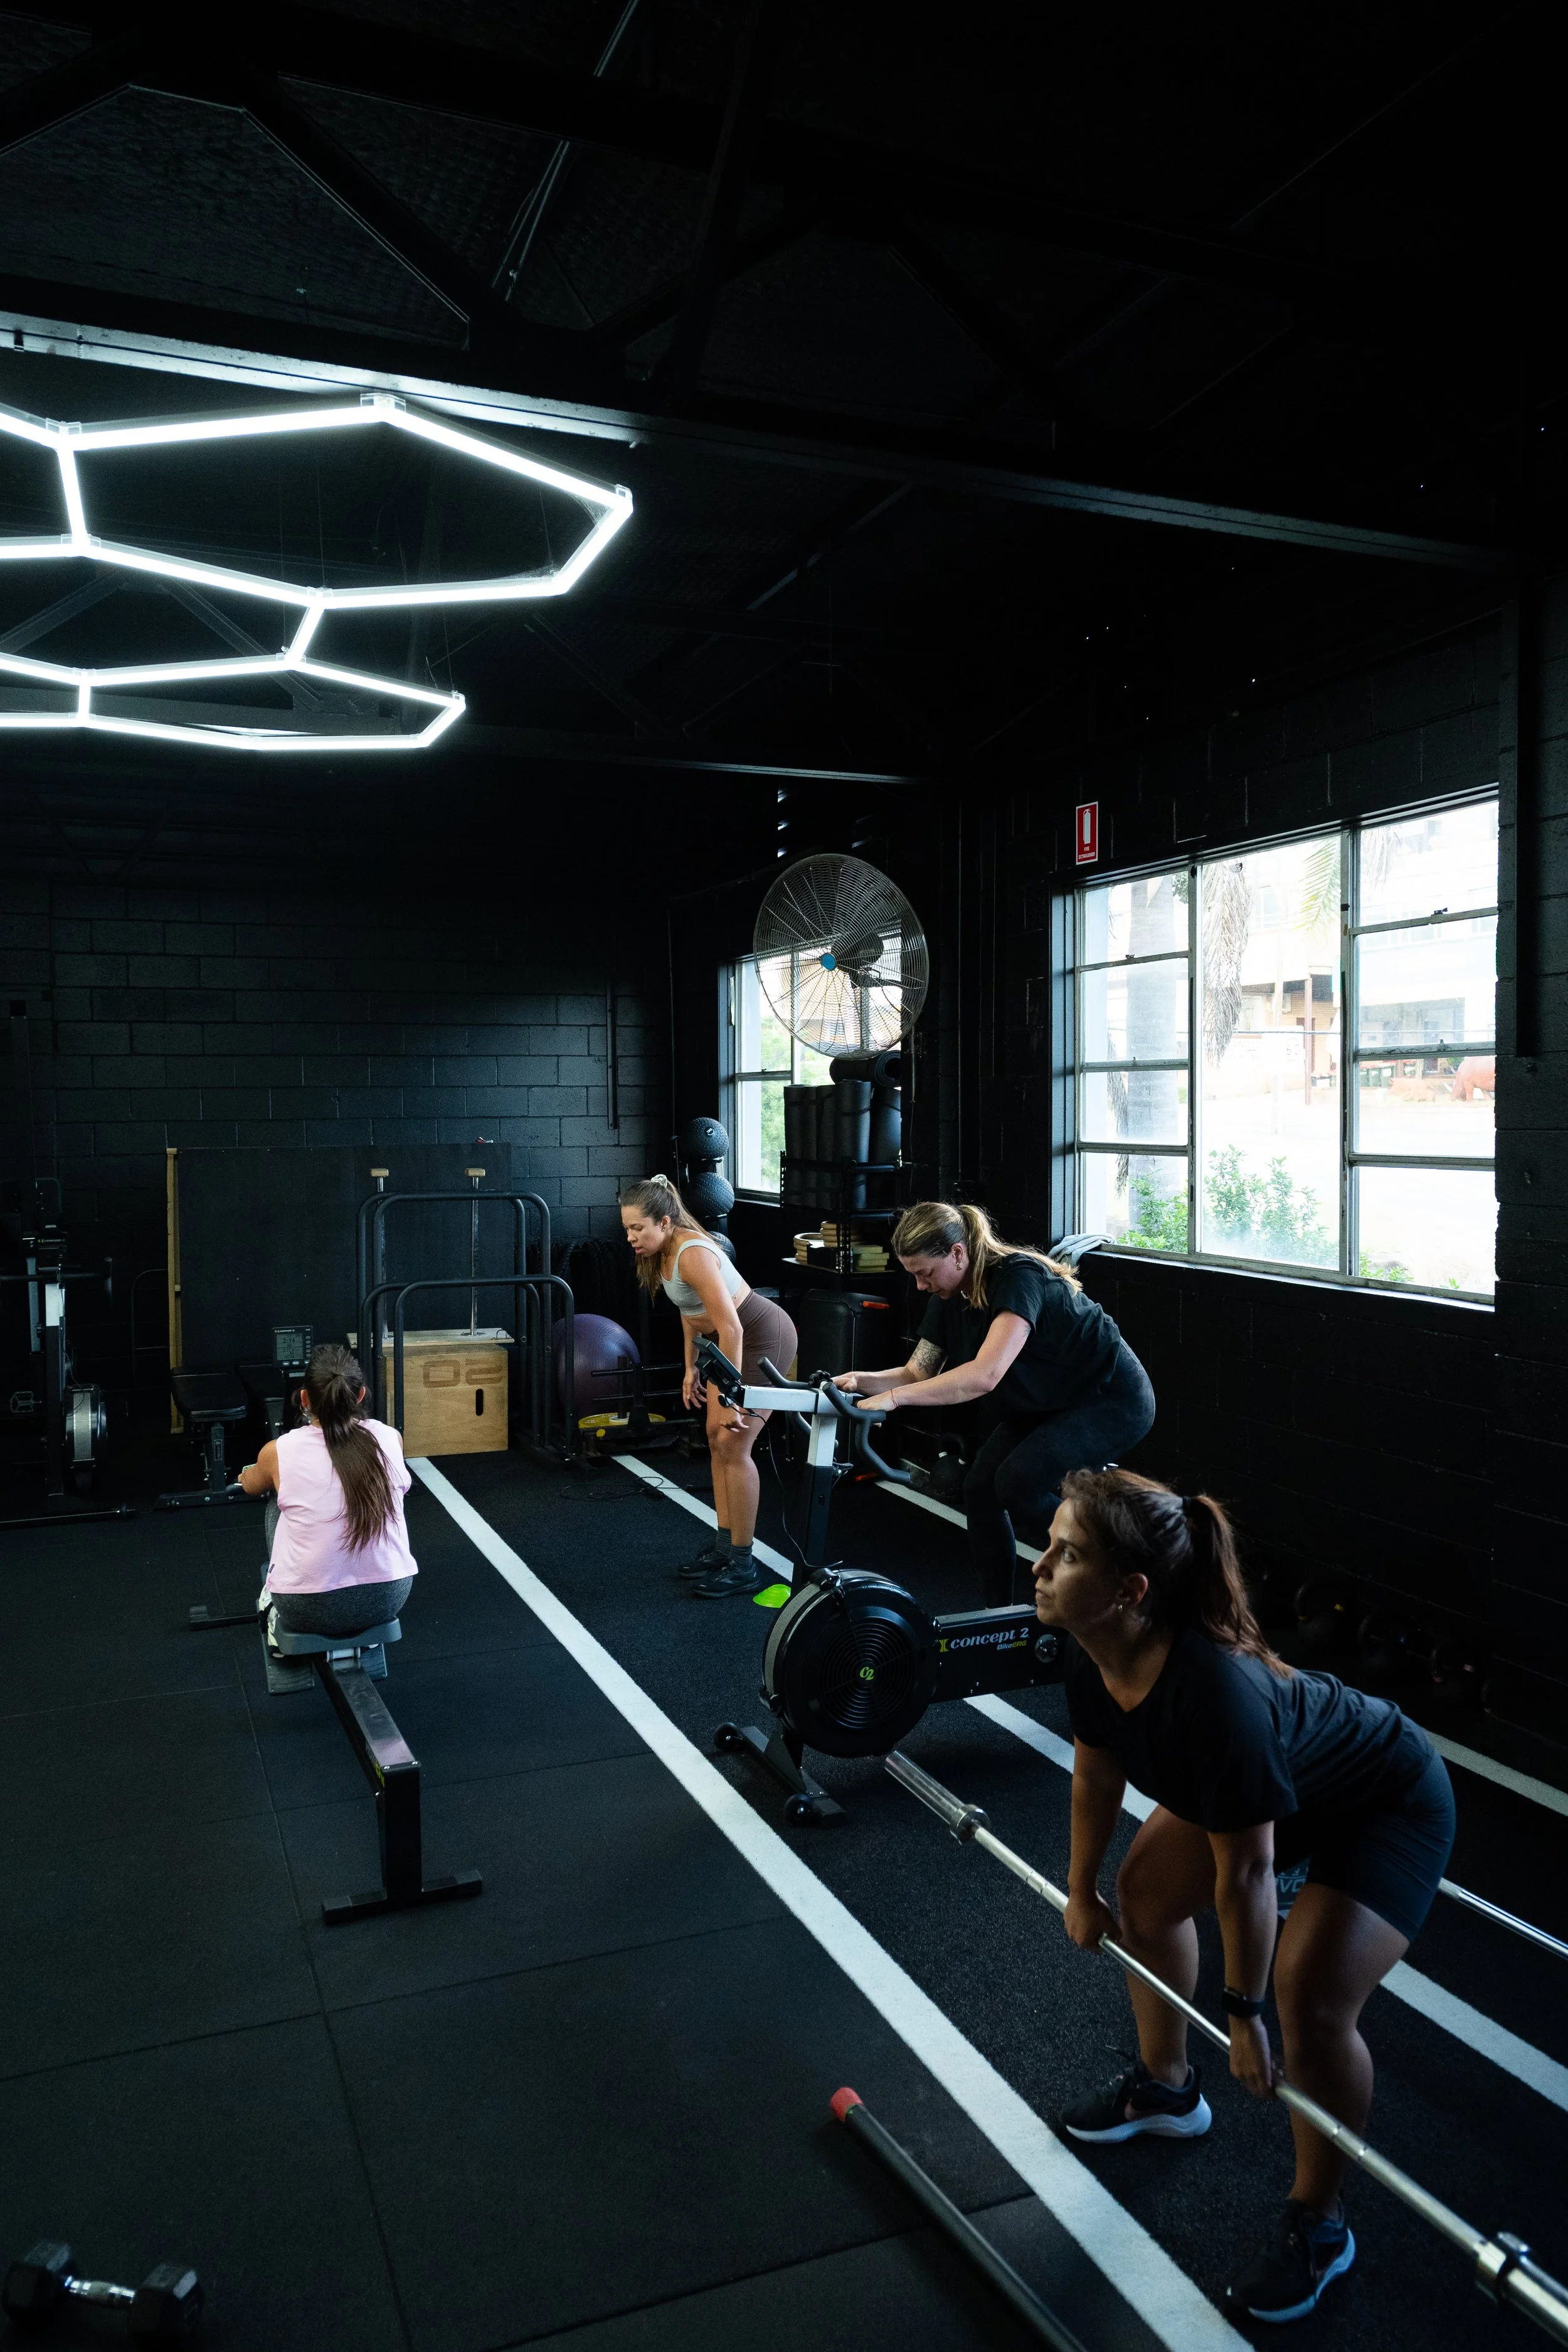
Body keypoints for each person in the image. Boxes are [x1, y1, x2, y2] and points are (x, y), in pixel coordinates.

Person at [1036, 1466, 1455, 2325]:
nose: (1041, 1565)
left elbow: (1250, 1874)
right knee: (1143, 1896)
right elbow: (1093, 1777)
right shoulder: (1091, 1649)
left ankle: (1320, 2220)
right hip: (1276, 1790)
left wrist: (1242, 2011)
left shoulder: (1215, 1695)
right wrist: (1080, 1889)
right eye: (1049, 1544)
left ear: (1130, 1589)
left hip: (1382, 1800)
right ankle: (1167, 2088)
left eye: (1066, 1552)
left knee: (1308, 2001)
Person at [832, 1200, 1154, 1604]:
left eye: (925, 1273)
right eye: (913, 1275)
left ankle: (1123, 1569)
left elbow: (985, 1375)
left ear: (957, 1253)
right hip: (1046, 1399)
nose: (920, 1285)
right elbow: (917, 1373)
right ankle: (997, 1612)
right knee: (981, 1490)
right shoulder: (949, 1296)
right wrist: (863, 1381)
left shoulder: (1018, 1278)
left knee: (1017, 1485)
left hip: (1109, 1397)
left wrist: (895, 1399)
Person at [620, 1174, 798, 1601]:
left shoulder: (693, 1253)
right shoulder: (661, 1255)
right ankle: (724, 1549)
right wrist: (690, 1369)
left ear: (664, 1222)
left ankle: (743, 1562)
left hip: (760, 1337)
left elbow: (733, 1327)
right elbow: (690, 1311)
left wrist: (735, 1396)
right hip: (725, 1344)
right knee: (715, 1440)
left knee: (733, 1443)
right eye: (626, 1229)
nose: (630, 1237)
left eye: (637, 1228)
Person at [239, 1342, 417, 1658]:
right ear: (360, 1395)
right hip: (389, 1597)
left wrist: (248, 1476)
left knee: (276, 1500)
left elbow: (251, 1485)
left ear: (305, 1399)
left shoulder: (280, 1449)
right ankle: (363, 1626)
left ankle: (272, 1600)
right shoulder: (391, 1438)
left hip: (305, 1606)